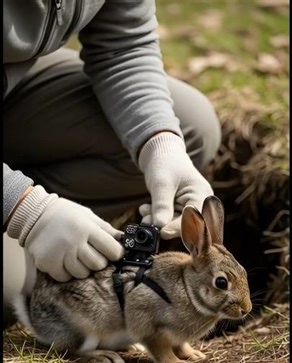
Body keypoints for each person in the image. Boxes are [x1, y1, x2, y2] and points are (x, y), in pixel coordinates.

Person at [3, 1, 221, 329]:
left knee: (192, 129)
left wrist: (159, 142)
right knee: (11, 290)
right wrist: (25, 209)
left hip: (14, 86)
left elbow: (125, 44)